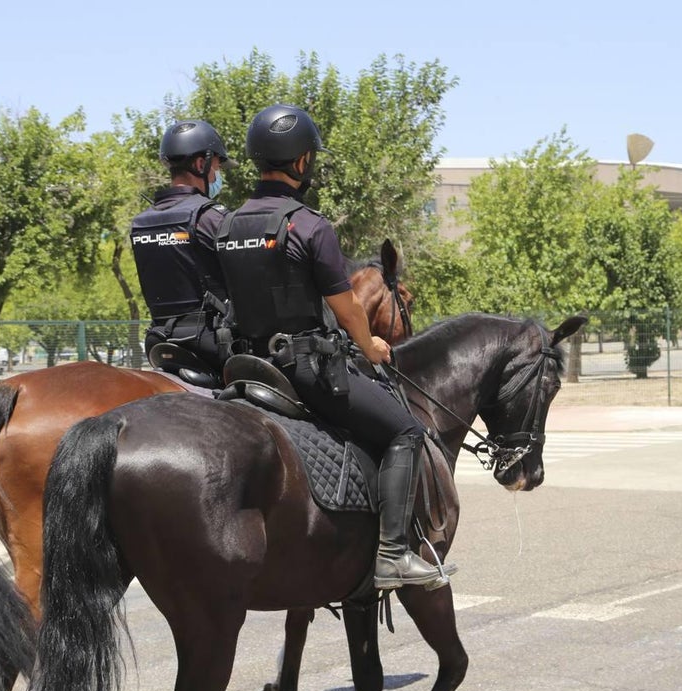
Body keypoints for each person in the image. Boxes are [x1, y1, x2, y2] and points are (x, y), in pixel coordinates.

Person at [217, 103, 454, 591]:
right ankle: (391, 555)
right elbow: (346, 308)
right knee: (407, 432)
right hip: (302, 368)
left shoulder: (226, 225)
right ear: (301, 161)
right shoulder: (309, 225)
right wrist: (371, 347)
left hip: (243, 365)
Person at [131, 119, 238, 369]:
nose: (216, 176)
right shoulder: (211, 217)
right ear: (201, 164)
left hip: (159, 340)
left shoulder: (140, 222)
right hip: (211, 344)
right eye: (216, 169)